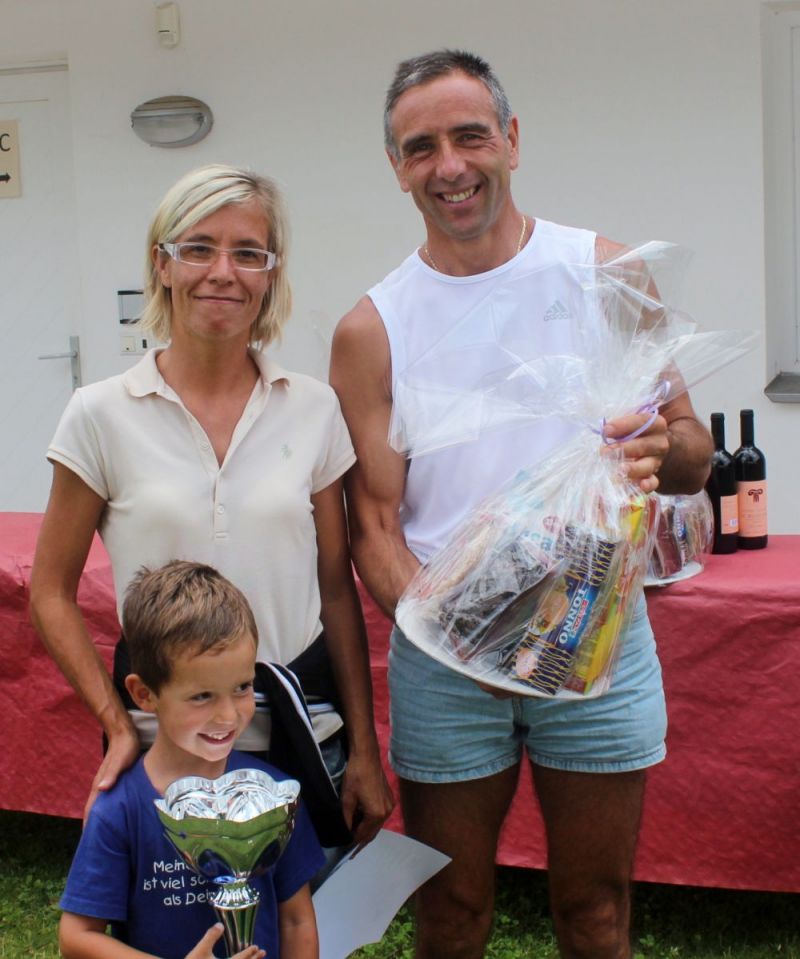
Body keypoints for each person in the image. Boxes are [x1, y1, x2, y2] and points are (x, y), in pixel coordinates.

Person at [330, 50, 713, 959]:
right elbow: (374, 527)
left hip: (598, 639)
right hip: (446, 655)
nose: (450, 166)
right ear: (396, 168)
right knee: (453, 910)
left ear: (510, 139)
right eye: (421, 148)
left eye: (469, 137)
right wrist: (467, 640)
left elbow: (694, 451)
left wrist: (664, 450)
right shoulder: (373, 328)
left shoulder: (605, 271)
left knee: (595, 908)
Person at [30, 164, 393, 848]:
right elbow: (50, 590)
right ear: (161, 264)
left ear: (270, 274)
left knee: (307, 909)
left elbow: (335, 590)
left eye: (248, 253)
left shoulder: (314, 408)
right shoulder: (100, 413)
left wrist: (367, 751)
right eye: (198, 248)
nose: (223, 272)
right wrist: (115, 723)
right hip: (163, 741)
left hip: (302, 729)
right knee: (174, 916)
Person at [59, 560, 323, 959]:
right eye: (202, 696)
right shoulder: (120, 811)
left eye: (242, 687)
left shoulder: (276, 797)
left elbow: (297, 921)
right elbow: (76, 937)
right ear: (144, 694)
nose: (228, 715)